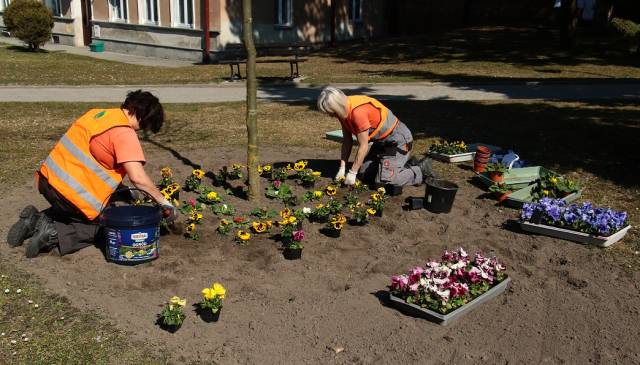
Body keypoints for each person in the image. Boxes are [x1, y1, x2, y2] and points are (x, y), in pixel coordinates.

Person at [6, 90, 177, 258]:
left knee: (74, 210)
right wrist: (164, 203)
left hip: (47, 182)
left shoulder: (97, 115)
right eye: (145, 127)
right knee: (108, 224)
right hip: (69, 195)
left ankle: (34, 220)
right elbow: (139, 178)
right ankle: (52, 234)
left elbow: (94, 161)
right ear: (144, 117)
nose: (141, 131)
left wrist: (125, 191)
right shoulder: (125, 133)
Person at [317, 86, 435, 187]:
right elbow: (347, 141)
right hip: (381, 143)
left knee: (385, 181)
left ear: (338, 107)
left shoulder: (358, 113)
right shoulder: (342, 112)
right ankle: (400, 166)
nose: (330, 116)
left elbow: (363, 146)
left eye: (331, 113)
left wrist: (352, 172)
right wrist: (342, 168)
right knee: (364, 174)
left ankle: (420, 170)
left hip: (397, 141)